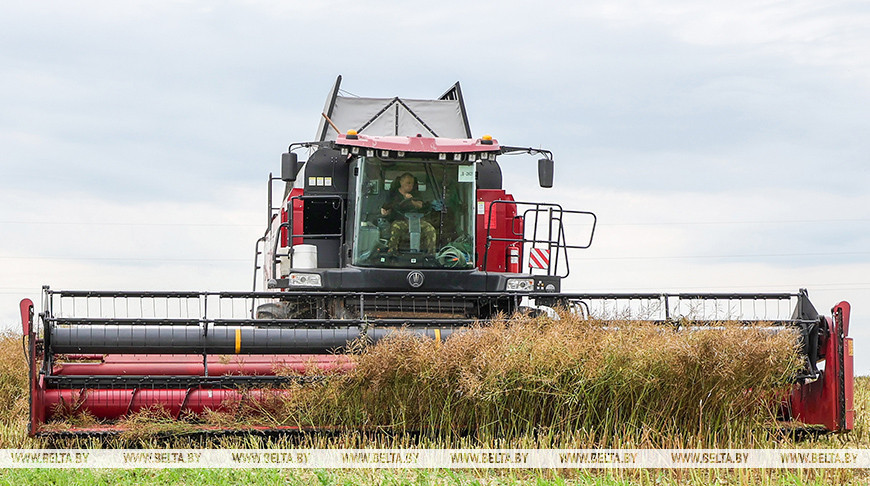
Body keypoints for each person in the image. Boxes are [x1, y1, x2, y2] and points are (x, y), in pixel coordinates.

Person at [380, 172, 437, 254]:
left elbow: (421, 205)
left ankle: (431, 254)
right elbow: (386, 207)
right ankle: (392, 252)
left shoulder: (416, 194)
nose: (410, 185)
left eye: (412, 183)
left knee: (430, 229)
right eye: (408, 183)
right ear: (401, 182)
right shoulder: (393, 194)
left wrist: (412, 201)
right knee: (395, 227)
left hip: (416, 221)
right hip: (400, 221)